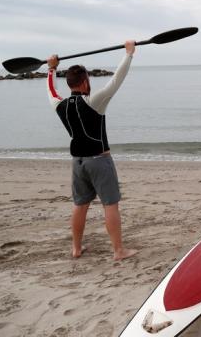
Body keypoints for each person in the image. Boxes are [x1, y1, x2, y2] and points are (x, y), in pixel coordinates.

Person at [46, 41, 138, 261]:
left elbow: (51, 91)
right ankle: (118, 251)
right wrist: (129, 53)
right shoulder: (94, 101)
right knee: (110, 204)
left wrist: (51, 69)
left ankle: (76, 249)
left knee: (80, 205)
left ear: (69, 84)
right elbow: (116, 81)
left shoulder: (60, 105)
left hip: (77, 162)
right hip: (99, 161)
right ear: (85, 81)